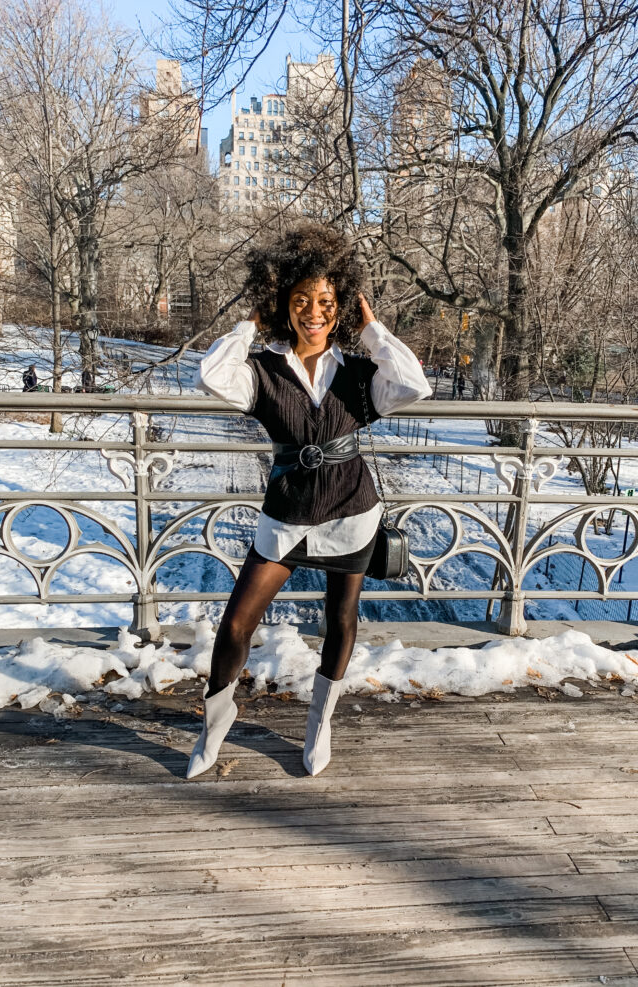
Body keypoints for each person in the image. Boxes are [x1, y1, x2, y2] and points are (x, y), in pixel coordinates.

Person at [188, 225, 431, 779]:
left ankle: (320, 723)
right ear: (283, 305)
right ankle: (212, 730)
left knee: (340, 620)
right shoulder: (262, 371)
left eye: (326, 301)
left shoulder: (362, 373)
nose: (314, 312)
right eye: (301, 301)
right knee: (234, 626)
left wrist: (372, 332)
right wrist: (250, 321)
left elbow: (416, 385)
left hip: (351, 511)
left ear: (340, 305)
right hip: (287, 515)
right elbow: (211, 374)